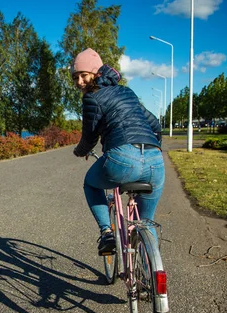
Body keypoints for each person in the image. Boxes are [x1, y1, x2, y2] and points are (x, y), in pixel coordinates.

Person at [71, 48, 165, 255]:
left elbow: (89, 136)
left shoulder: (91, 97)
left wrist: (80, 152)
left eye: (83, 75)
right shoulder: (127, 92)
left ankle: (107, 233)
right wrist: (150, 148)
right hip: (155, 161)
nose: (79, 82)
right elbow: (155, 125)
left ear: (96, 74)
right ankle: (153, 275)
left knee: (90, 183)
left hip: (122, 158)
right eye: (75, 77)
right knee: (146, 222)